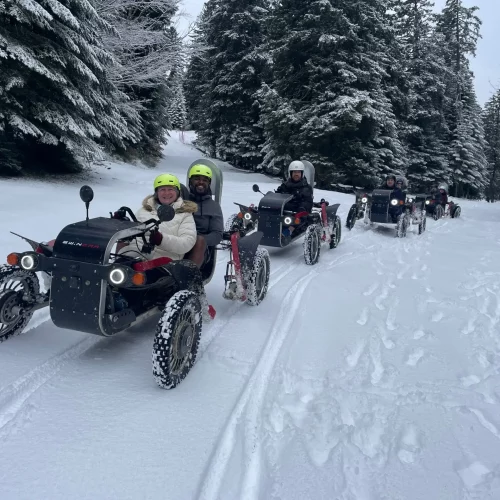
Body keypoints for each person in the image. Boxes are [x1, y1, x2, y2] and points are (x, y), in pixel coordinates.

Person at [118, 173, 198, 261]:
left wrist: (161, 239)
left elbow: (186, 243)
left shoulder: (185, 214)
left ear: (177, 192)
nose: (166, 193)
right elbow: (131, 233)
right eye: (162, 189)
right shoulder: (144, 210)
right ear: (157, 193)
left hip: (163, 261)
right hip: (134, 255)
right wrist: (121, 224)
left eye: (170, 189)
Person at [183, 164, 224, 268]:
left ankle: (189, 276)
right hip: (179, 243)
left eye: (205, 180)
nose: (201, 182)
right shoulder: (182, 201)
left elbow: (217, 234)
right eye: (197, 179)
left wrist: (197, 239)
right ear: (190, 181)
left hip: (200, 249)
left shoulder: (214, 206)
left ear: (209, 183)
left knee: (199, 241)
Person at [276, 160, 314, 237]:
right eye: (294, 172)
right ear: (291, 173)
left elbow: (308, 202)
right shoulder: (285, 185)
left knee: (298, 218)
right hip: (284, 209)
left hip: (298, 211)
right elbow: (277, 196)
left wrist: (302, 207)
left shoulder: (306, 188)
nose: (296, 174)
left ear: (302, 174)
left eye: (298, 172)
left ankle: (287, 233)